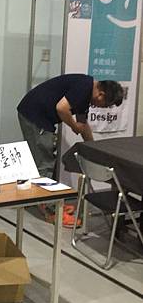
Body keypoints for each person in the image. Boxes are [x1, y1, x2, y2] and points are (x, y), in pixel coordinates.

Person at [17, 74, 123, 225]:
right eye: (105, 105)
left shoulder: (86, 92)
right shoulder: (84, 87)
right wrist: (74, 126)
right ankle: (50, 211)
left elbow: (83, 125)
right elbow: (62, 108)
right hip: (34, 116)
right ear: (101, 94)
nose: (103, 108)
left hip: (36, 115)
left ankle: (42, 201)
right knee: (45, 163)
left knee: (42, 160)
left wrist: (94, 149)